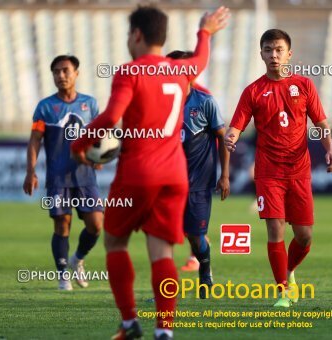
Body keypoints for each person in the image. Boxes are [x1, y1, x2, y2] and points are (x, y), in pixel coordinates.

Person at [71, 6, 230, 340]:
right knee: (163, 253)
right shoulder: (181, 70)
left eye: (129, 33)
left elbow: (111, 116)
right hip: (175, 176)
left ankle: (129, 323)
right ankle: (165, 331)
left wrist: (79, 145)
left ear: (137, 35)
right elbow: (201, 58)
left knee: (115, 242)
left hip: (138, 173)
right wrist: (205, 31)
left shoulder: (130, 72)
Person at [224, 29, 332, 308]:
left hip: (299, 171)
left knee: (304, 235)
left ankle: (289, 271)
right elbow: (236, 126)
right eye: (267, 50)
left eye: (278, 50)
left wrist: (330, 150)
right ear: (260, 53)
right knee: (275, 230)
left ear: (289, 53)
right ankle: (284, 292)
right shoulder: (253, 91)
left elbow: (321, 124)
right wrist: (231, 137)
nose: (273, 55)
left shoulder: (305, 86)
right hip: (269, 172)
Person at [23, 55, 103, 291]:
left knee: (96, 224)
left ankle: (77, 258)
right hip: (58, 178)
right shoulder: (45, 107)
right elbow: (35, 140)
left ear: (76, 73)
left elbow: (99, 136)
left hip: (86, 176)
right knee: (62, 225)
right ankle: (62, 276)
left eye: (65, 71)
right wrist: (31, 171)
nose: (61, 76)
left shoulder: (90, 104)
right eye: (56, 72)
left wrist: (98, 157)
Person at [167, 50, 230, 298]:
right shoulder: (158, 105)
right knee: (162, 237)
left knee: (196, 236)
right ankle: (164, 288)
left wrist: (224, 175)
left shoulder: (205, 102)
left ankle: (205, 269)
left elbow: (224, 139)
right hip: (166, 183)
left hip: (197, 184)